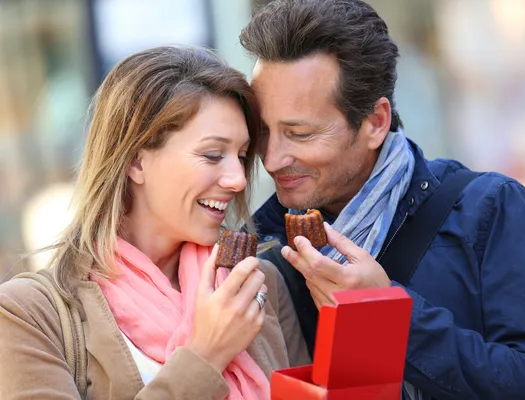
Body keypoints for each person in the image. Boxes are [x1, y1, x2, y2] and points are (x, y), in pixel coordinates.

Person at [240, 1, 525, 398]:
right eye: (263, 132)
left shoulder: (491, 208)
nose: (272, 158)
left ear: (375, 122)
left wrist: (388, 314)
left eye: (299, 134)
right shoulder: (265, 251)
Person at [0, 46, 309, 399]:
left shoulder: (258, 285)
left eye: (241, 156)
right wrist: (206, 355)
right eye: (212, 155)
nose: (238, 179)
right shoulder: (29, 314)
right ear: (135, 161)